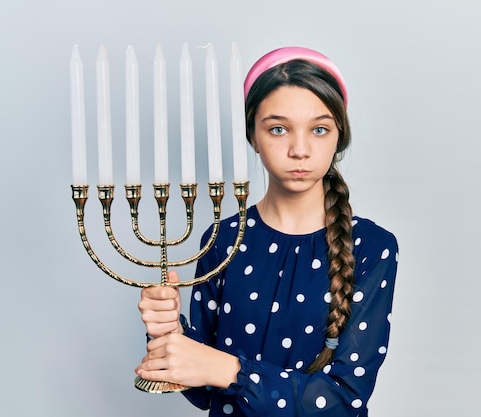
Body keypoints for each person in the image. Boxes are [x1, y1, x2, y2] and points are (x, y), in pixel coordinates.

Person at [136, 46, 399, 416]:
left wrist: (230, 370)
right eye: (278, 129)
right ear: (253, 137)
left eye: (319, 129)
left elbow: (341, 399)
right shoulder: (222, 240)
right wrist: (167, 332)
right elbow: (204, 393)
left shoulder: (372, 247)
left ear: (339, 136)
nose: (300, 150)